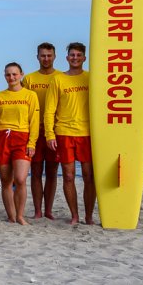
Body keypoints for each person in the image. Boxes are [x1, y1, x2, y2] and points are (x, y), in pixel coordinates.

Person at [45, 42, 95, 225]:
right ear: (67, 58)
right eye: (72, 55)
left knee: (89, 176)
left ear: (84, 58)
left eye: (78, 55)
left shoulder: (91, 78)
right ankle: (74, 215)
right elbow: (49, 110)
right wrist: (50, 134)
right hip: (64, 133)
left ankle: (89, 216)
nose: (75, 58)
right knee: (68, 176)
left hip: (87, 134)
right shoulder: (58, 79)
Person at [0, 62, 39, 225]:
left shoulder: (30, 95)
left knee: (20, 179)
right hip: (2, 138)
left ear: (21, 74)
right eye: (8, 74)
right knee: (5, 181)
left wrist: (32, 143)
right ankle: (11, 216)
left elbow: (34, 121)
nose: (11, 77)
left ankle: (20, 215)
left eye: (14, 74)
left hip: (22, 138)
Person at [22, 42, 62, 219]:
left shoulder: (61, 77)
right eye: (43, 55)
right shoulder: (29, 79)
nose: (46, 59)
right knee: (36, 172)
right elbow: (23, 104)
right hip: (35, 132)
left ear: (54, 56)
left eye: (49, 55)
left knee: (52, 172)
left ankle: (48, 210)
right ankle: (38, 211)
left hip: (55, 131)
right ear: (37, 57)